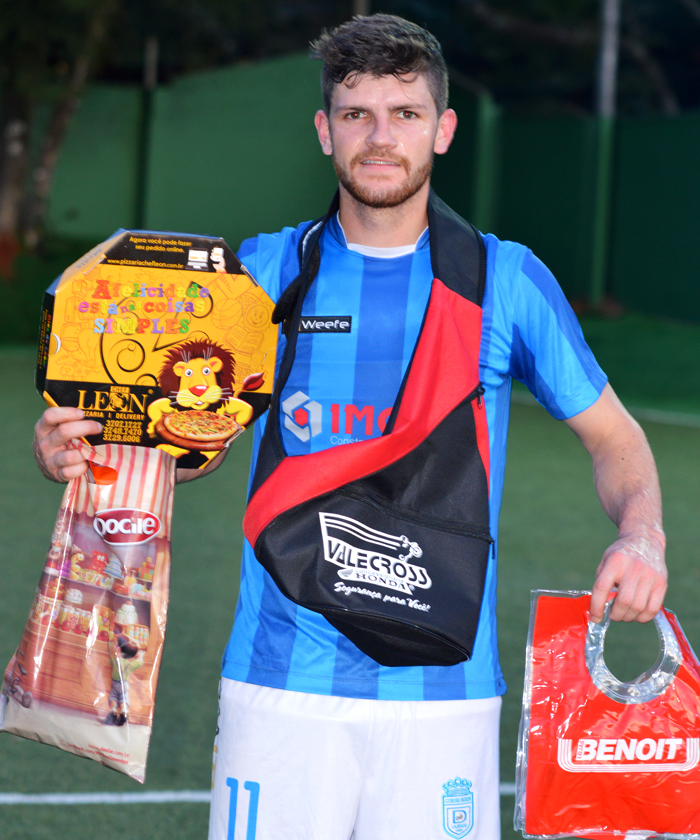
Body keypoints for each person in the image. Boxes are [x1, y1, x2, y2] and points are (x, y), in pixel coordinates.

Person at [33, 14, 667, 840]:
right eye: (357, 113)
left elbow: (616, 438)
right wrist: (91, 453)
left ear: (442, 131)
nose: (379, 136)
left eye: (404, 114)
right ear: (325, 130)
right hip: (280, 690)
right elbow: (188, 448)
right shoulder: (261, 276)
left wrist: (643, 533)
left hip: (446, 695)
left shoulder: (504, 281)